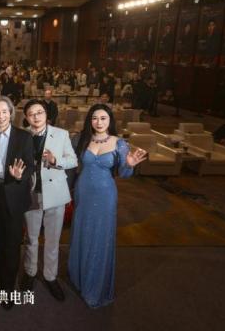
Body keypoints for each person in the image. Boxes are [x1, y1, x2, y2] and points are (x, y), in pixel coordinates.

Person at [68, 104, 147, 308]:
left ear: (110, 120)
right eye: (95, 118)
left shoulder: (119, 143)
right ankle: (79, 277)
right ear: (90, 120)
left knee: (100, 237)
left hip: (105, 196)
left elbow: (125, 173)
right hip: (83, 193)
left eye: (103, 118)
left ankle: (95, 286)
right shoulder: (82, 139)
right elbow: (69, 162)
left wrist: (129, 164)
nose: (99, 122)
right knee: (82, 232)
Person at [20, 100, 77, 301]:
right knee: (31, 238)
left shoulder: (61, 134)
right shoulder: (22, 135)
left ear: (46, 114)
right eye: (31, 113)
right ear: (26, 117)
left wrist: (55, 160)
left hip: (55, 193)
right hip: (31, 193)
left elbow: (73, 160)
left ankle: (50, 277)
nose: (36, 117)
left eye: (40, 112)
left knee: (53, 239)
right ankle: (30, 272)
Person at [0, 96, 33, 310]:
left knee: (12, 244)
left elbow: (30, 165)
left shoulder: (24, 136)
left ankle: (9, 288)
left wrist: (20, 176)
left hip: (14, 193)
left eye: (4, 111)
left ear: (11, 113)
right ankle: (0, 279)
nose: (0, 115)